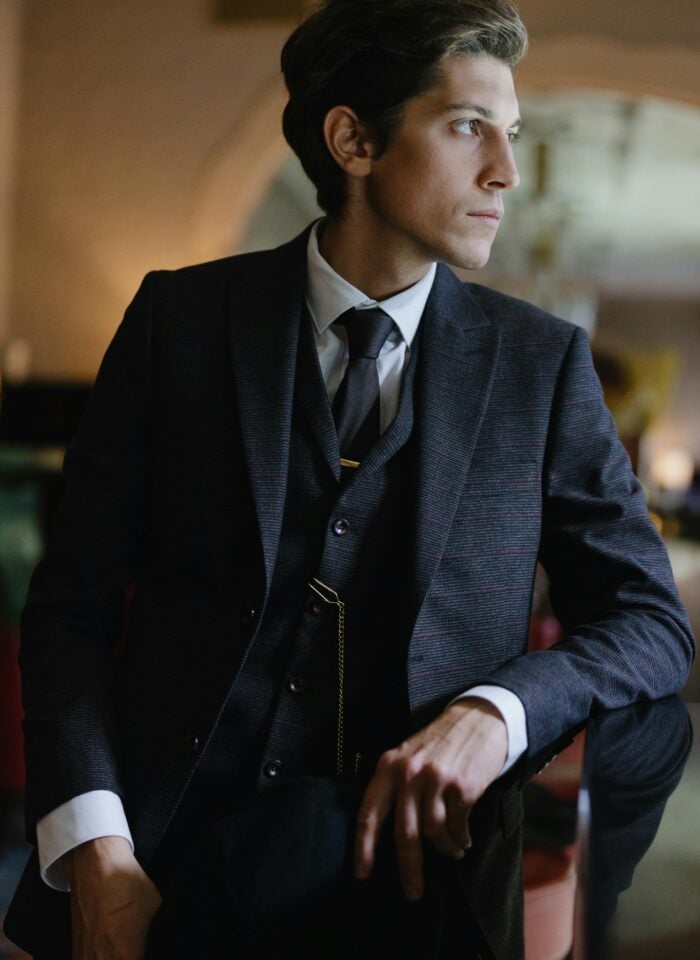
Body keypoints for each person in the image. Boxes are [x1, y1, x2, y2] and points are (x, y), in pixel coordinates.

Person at [4, 1, 695, 958]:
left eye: (514, 134)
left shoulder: (544, 368)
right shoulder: (181, 323)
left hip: (422, 894)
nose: (507, 169)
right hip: (161, 867)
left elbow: (651, 623)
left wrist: (496, 715)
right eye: (467, 127)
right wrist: (95, 851)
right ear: (354, 140)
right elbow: (68, 607)